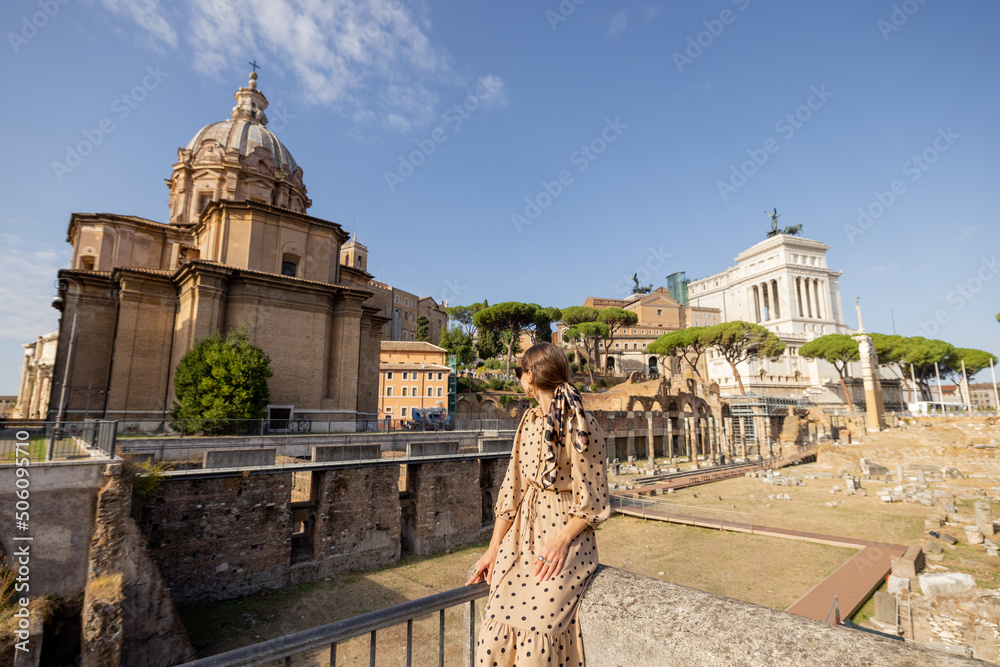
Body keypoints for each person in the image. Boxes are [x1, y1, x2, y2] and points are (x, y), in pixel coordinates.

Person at [466, 342, 609, 665]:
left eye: (519, 372)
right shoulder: (529, 422)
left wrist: (559, 542)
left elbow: (594, 502)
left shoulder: (582, 428)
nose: (519, 379)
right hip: (520, 537)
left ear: (530, 377)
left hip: (565, 536)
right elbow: (511, 491)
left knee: (540, 631)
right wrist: (493, 550)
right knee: (494, 632)